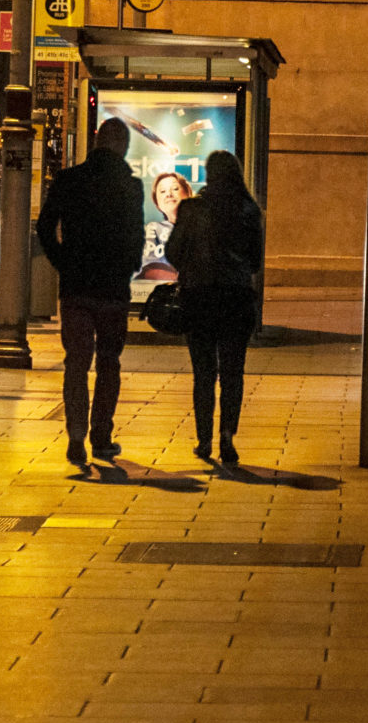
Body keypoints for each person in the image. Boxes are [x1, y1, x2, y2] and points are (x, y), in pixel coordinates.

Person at [36, 117, 145, 470]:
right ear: (123, 147)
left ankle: (75, 436)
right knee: (109, 362)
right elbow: (136, 235)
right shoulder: (130, 185)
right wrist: (128, 265)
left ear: (97, 141)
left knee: (77, 363)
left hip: (76, 287)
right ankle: (101, 435)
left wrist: (62, 261)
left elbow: (44, 226)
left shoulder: (69, 180)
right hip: (113, 288)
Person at [164, 150, 264, 467]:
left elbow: (173, 252)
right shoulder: (249, 210)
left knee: (204, 373)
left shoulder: (192, 209)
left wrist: (194, 268)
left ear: (209, 174)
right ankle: (227, 438)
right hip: (236, 299)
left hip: (200, 299)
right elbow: (255, 262)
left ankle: (204, 439)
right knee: (233, 373)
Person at [140, 171, 191, 279]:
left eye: (175, 188)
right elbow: (150, 270)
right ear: (157, 202)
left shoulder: (206, 226)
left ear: (188, 193)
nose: (168, 194)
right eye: (162, 191)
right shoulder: (153, 229)